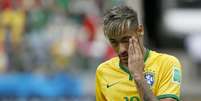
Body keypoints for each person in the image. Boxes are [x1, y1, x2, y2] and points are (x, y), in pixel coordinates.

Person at [96, 5, 182, 101]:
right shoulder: (103, 71)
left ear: (140, 31)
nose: (121, 50)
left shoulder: (167, 64)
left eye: (126, 40)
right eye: (114, 42)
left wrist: (138, 76)